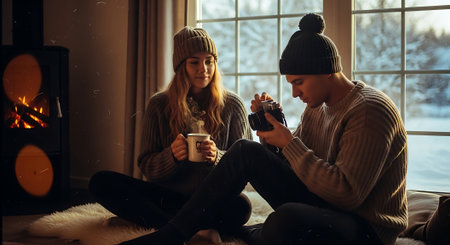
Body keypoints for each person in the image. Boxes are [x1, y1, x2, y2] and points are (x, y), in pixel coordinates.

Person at [118, 13, 408, 245]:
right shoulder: (317, 107)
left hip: (364, 227)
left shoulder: (370, 111)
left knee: (285, 219)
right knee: (246, 150)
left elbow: (346, 194)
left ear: (327, 72)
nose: (295, 94)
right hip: (326, 205)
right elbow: (300, 171)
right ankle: (173, 235)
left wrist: (289, 143)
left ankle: (241, 233)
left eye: (299, 82)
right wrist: (276, 137)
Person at [89, 26, 253, 243]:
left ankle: (158, 223)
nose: (203, 69)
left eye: (209, 61)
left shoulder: (233, 105)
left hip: (212, 200)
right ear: (181, 66)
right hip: (168, 197)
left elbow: (245, 169)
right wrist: (172, 157)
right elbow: (147, 166)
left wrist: (217, 157)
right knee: (101, 182)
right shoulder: (159, 105)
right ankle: (192, 228)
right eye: (194, 62)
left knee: (242, 206)